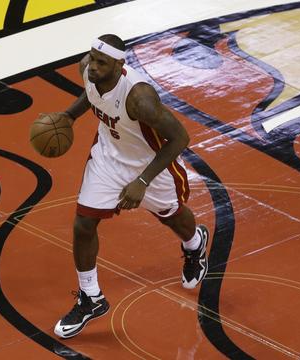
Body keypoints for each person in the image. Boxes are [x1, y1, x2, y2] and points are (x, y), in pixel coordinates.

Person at [51, 34, 210, 339]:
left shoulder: (140, 98)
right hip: (108, 157)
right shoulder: (87, 69)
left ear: (120, 64)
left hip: (148, 165)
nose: (93, 67)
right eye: (92, 59)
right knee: (84, 223)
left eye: (102, 62)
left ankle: (195, 245)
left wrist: (142, 181)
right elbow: (92, 92)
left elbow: (180, 139)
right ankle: (91, 297)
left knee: (172, 216)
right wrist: (69, 115)